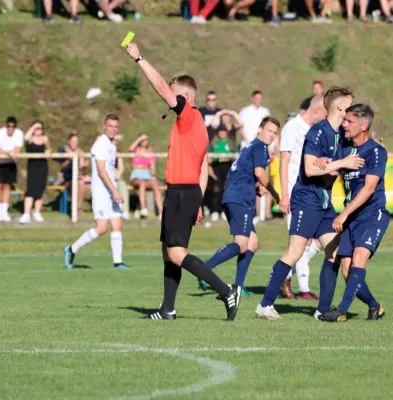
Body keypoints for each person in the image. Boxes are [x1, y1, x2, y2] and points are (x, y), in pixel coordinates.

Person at [125, 42, 240, 321]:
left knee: (177, 254)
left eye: (175, 94)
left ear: (185, 96)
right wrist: (197, 201)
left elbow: (163, 88)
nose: (169, 99)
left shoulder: (189, 115)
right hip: (183, 193)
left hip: (181, 194)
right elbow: (201, 167)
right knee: (168, 252)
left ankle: (226, 291)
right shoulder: (194, 122)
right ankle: (168, 309)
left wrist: (139, 58)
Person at [255, 87, 363, 320]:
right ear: (340, 107)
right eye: (350, 104)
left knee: (334, 253)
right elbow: (309, 168)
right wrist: (336, 163)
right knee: (294, 253)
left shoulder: (339, 135)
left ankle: (322, 311)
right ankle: (265, 304)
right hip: (306, 201)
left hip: (324, 203)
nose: (352, 109)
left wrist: (337, 164)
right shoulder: (317, 131)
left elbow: (333, 168)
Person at [318, 104, 387, 322]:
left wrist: (343, 214)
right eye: (344, 120)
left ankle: (341, 311)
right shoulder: (345, 148)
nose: (344, 125)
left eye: (349, 121)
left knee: (359, 258)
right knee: (347, 271)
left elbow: (369, 188)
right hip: (352, 217)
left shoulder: (376, 151)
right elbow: (331, 169)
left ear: (364, 126)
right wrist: (324, 163)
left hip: (373, 214)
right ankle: (375, 306)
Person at [201, 118, 280, 297]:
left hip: (235, 196)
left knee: (252, 244)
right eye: (269, 130)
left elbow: (241, 174)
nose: (272, 135)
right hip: (240, 199)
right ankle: (204, 270)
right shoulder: (260, 146)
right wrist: (274, 193)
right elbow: (260, 173)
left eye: (275, 133)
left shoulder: (251, 147)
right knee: (241, 244)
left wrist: (256, 187)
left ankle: (237, 287)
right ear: (260, 130)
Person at [278, 95, 327, 300]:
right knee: (299, 243)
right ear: (316, 110)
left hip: (311, 194)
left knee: (315, 242)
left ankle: (284, 275)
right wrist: (284, 194)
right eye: (325, 113)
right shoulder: (292, 127)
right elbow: (284, 161)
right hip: (294, 194)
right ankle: (304, 290)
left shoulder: (314, 131)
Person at [63, 115, 129, 270]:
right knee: (102, 228)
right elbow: (100, 170)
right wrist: (115, 191)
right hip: (102, 192)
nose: (113, 129)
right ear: (104, 126)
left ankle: (117, 262)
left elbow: (110, 170)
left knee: (117, 223)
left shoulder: (112, 145)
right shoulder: (100, 144)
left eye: (115, 126)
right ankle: (72, 249)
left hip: (111, 191)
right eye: (110, 126)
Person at [0, 117, 24, 222]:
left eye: (13, 126)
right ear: (5, 125)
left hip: (10, 163)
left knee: (7, 186)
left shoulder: (19, 133)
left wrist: (13, 154)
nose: (10, 128)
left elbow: (18, 147)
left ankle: (4, 211)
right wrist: (8, 153)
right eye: (8, 126)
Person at [19, 121, 51, 224]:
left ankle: (37, 212)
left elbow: (49, 148)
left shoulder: (44, 139)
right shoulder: (30, 139)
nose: (38, 130)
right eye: (36, 128)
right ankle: (26, 213)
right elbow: (25, 138)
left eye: (40, 128)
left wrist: (48, 151)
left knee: (40, 190)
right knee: (31, 189)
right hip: (32, 166)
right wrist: (33, 127)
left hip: (42, 166)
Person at [129, 134, 163, 218]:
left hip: (146, 174)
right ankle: (144, 208)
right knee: (142, 183)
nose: (145, 141)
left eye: (146, 139)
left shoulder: (150, 152)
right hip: (136, 175)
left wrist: (153, 172)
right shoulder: (136, 150)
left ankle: (161, 212)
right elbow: (130, 148)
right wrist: (140, 138)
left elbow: (153, 169)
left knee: (155, 185)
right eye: (143, 140)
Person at [56, 134, 90, 215]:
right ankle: (75, 208)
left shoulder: (80, 151)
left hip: (76, 178)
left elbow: (81, 168)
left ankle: (77, 207)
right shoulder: (62, 150)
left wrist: (84, 165)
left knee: (81, 183)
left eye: (76, 141)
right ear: (69, 141)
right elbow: (62, 166)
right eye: (73, 141)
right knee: (79, 183)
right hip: (65, 178)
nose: (75, 143)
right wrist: (70, 158)